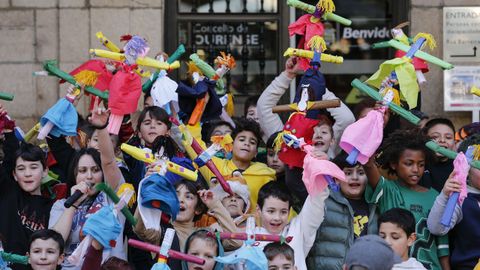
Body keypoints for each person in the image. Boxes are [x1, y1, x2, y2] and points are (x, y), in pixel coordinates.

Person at [49, 106, 126, 269]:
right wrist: (73, 204)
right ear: (74, 176)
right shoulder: (60, 206)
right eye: (82, 171)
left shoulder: (111, 197)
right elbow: (53, 244)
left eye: (95, 170)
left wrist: (101, 128)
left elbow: (109, 161)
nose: (89, 176)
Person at [363, 129, 449, 269]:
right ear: (393, 164)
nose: (416, 169)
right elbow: (368, 164)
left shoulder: (435, 197)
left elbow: (443, 247)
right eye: (409, 163)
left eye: (421, 164)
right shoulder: (388, 190)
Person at [0, 102, 54, 270]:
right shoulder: (8, 192)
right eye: (21, 169)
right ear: (14, 175)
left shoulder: (53, 207)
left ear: (45, 171)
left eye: (33, 167)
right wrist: (7, 128)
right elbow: (10, 157)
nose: (28, 174)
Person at [307, 151, 378, 270]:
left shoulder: (376, 204)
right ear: (337, 178)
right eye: (348, 173)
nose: (355, 177)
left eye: (360, 172)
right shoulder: (323, 201)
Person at [184, 118, 276, 211]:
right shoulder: (214, 165)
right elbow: (194, 145)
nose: (246, 143)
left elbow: (274, 205)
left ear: (256, 152)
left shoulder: (265, 175)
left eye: (252, 142)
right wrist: (196, 113)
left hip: (251, 224)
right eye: (242, 139)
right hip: (217, 223)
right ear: (231, 145)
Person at [427, 133, 480, 269]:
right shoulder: (461, 199)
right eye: (479, 164)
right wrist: (445, 195)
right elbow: (437, 228)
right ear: (466, 169)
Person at [255, 181, 329, 270]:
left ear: (289, 211)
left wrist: (319, 176)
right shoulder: (247, 236)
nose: (277, 217)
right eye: (271, 211)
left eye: (283, 212)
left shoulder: (298, 230)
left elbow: (316, 201)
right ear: (258, 210)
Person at [419, 118, 456, 192]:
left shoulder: (460, 167)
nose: (442, 140)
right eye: (435, 137)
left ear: (454, 142)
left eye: (448, 137)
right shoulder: (418, 165)